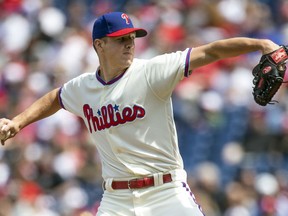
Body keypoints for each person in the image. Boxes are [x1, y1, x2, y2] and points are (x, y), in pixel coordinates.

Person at [0, 11, 280, 216]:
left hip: (165, 192)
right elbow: (56, 98)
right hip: (116, 199)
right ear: (99, 45)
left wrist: (259, 44)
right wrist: (19, 122)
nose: (129, 44)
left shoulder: (151, 72)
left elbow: (209, 51)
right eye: (120, 39)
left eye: (132, 37)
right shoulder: (83, 87)